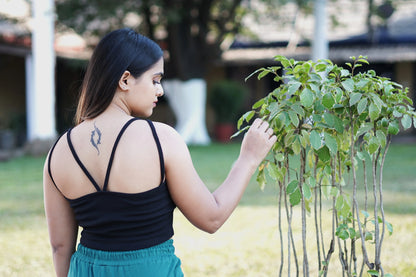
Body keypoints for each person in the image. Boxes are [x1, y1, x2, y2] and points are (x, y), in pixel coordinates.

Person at [43, 28, 277, 277]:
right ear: (125, 80)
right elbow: (212, 218)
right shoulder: (160, 139)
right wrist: (248, 158)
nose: (160, 90)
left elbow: (60, 247)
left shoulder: (58, 152)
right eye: (155, 80)